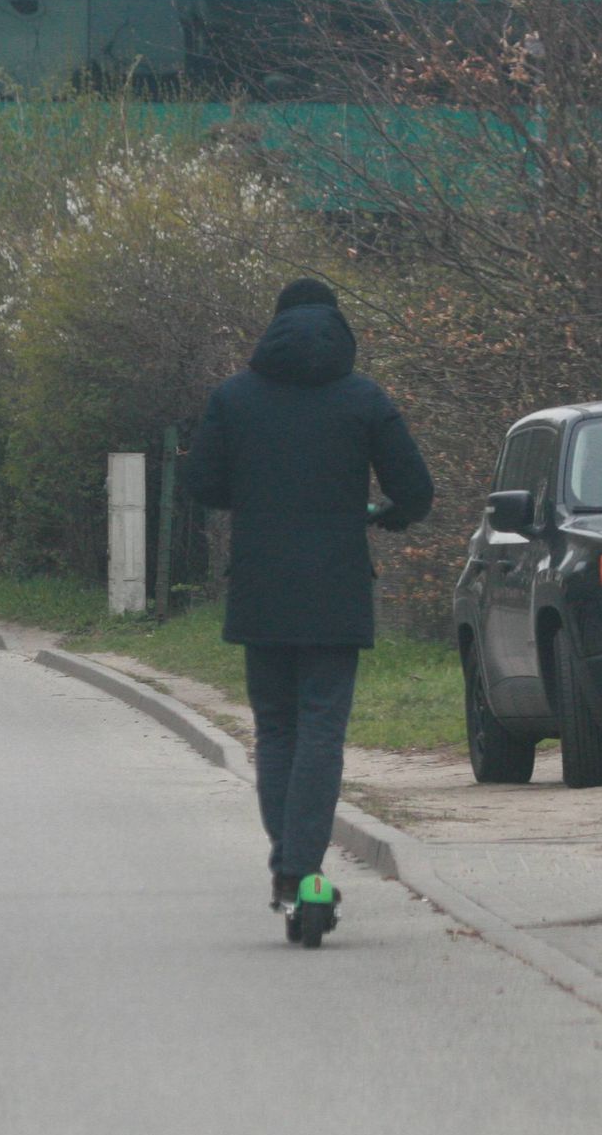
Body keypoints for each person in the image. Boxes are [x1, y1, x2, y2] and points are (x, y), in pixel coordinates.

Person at [185, 278, 435, 911]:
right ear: (339, 327)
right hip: (336, 590)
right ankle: (299, 869)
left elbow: (204, 485)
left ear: (273, 328)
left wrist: (256, 495)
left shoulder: (234, 399)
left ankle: (291, 871)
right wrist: (387, 514)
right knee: (322, 731)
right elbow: (417, 489)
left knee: (275, 730)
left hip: (262, 588)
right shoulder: (362, 399)